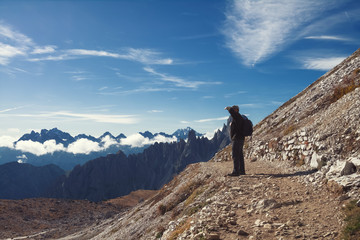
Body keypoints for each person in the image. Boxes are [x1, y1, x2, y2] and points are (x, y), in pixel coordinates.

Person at [225, 105, 245, 176]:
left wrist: (229, 109)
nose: (233, 111)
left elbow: (233, 113)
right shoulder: (239, 118)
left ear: (236, 110)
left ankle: (236, 171)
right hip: (241, 139)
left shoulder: (237, 116)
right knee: (240, 155)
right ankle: (242, 171)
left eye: (234, 109)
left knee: (235, 155)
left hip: (237, 139)